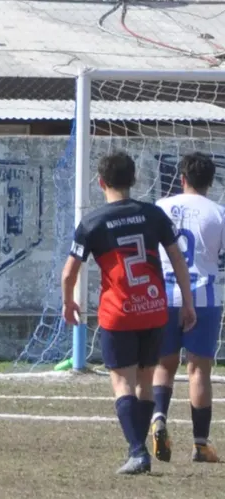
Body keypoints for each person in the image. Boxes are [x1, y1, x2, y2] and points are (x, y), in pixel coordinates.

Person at [62, 151, 196, 475]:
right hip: (153, 310)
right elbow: (178, 259)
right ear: (134, 180)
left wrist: (68, 302)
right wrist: (187, 302)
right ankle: (136, 445)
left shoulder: (92, 223)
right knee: (145, 382)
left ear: (100, 182)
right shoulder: (153, 215)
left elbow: (69, 273)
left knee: (121, 382)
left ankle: (138, 451)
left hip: (119, 312)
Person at [150, 152, 225, 464]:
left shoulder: (161, 208)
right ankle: (200, 444)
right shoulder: (218, 213)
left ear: (181, 178)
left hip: (165, 295)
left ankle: (157, 419)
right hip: (204, 297)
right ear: (211, 182)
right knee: (198, 371)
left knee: (164, 365)